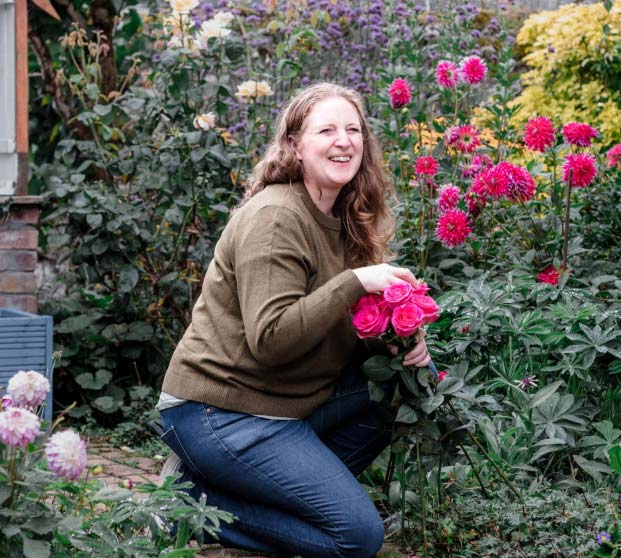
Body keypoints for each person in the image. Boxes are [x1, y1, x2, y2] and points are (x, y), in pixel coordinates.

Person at [156, 82, 431, 558]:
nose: (343, 141)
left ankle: (250, 495)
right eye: (326, 130)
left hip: (286, 403)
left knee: (401, 380)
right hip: (219, 411)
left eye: (353, 130)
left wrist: (396, 341)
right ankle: (190, 504)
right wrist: (354, 283)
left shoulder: (344, 216)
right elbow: (271, 340)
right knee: (356, 538)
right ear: (295, 146)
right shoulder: (276, 217)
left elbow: (334, 324)